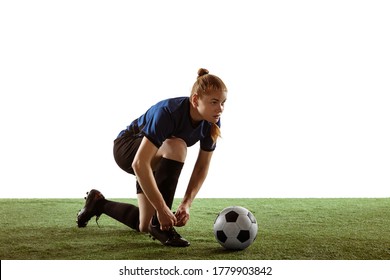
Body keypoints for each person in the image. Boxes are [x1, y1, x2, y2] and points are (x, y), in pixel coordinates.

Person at [76, 68, 228, 247]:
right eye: (214, 102)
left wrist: (186, 204)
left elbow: (202, 167)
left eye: (223, 103)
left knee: (144, 224)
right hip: (128, 148)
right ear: (195, 100)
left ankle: (98, 203)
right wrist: (162, 209)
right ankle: (162, 227)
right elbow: (139, 163)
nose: (221, 109)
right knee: (177, 146)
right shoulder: (169, 112)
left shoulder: (212, 121)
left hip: (153, 157)